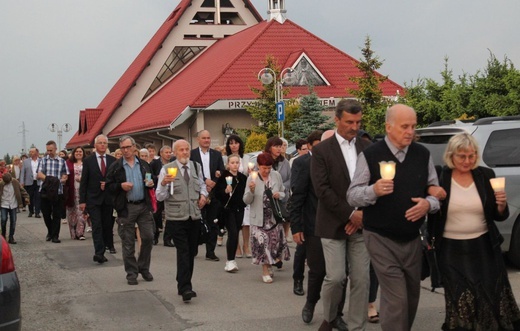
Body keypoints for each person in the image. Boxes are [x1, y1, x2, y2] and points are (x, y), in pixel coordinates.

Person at [347, 104, 441, 331]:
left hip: (412, 237)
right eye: (404, 126)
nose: (410, 131)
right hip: (380, 236)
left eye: (413, 126)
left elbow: (435, 191)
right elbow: (352, 196)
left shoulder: (422, 154)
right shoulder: (371, 155)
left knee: (410, 297)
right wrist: (374, 191)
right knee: (396, 297)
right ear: (389, 127)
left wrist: (428, 204)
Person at [429, 133, 520, 330]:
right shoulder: (440, 177)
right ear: (451, 155)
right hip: (450, 249)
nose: (467, 161)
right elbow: (430, 209)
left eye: (471, 156)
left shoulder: (485, 175)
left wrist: (502, 206)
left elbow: (498, 216)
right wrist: (430, 192)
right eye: (462, 156)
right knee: (460, 300)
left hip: (484, 246)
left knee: (489, 297)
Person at [311, 99, 371, 331]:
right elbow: (322, 189)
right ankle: (330, 316)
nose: (354, 127)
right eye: (349, 122)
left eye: (358, 122)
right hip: (332, 223)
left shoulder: (367, 148)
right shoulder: (321, 151)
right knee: (336, 277)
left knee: (361, 279)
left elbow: (375, 184)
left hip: (362, 224)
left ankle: (357, 326)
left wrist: (361, 214)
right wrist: (350, 215)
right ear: (336, 120)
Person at [290, 130, 345, 324]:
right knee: (318, 270)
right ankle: (311, 303)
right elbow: (297, 197)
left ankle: (336, 314)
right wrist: (296, 227)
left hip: (340, 225)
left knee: (340, 274)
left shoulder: (344, 161)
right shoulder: (304, 164)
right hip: (314, 225)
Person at [156, 139, 208, 302]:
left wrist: (203, 196)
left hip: (193, 215)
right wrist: (164, 183)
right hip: (176, 217)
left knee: (191, 251)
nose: (185, 152)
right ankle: (186, 287)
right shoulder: (167, 169)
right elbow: (159, 196)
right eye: (181, 150)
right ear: (175, 153)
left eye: (187, 149)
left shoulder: (196, 166)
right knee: (183, 250)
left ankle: (183, 282)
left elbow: (202, 185)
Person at [106, 135, 155, 285]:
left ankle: (143, 267)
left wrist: (152, 183)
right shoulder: (116, 166)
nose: (126, 150)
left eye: (128, 147)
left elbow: (151, 180)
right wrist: (120, 186)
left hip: (143, 205)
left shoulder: (144, 164)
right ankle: (131, 272)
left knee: (148, 237)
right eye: (123, 148)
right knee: (128, 242)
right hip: (126, 207)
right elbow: (108, 186)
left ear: (134, 147)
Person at [243, 152, 290, 283]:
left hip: (273, 217)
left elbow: (283, 193)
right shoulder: (251, 178)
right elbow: (246, 200)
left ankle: (269, 265)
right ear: (258, 166)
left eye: (269, 168)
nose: (267, 171)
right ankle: (264, 270)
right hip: (258, 218)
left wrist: (278, 194)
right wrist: (251, 191)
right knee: (262, 243)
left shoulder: (276, 175)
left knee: (273, 244)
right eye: (264, 168)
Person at [80, 135, 117, 263]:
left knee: (107, 225)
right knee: (97, 226)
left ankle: (106, 247)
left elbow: (115, 179)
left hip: (107, 199)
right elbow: (84, 181)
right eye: (100, 143)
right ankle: (99, 253)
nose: (102, 145)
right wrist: (82, 201)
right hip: (93, 199)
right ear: (95, 145)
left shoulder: (112, 160)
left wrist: (107, 184)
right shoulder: (88, 161)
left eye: (104, 143)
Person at [190, 130, 225, 262]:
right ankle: (193, 249)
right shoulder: (192, 154)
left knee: (213, 223)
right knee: (196, 223)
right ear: (198, 139)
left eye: (208, 138)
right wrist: (205, 180)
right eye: (204, 138)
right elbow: (192, 172)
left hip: (214, 193)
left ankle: (211, 251)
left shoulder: (216, 154)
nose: (206, 140)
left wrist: (214, 182)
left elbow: (221, 170)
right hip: (197, 192)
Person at [214, 154, 247, 272]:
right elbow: (216, 193)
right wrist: (225, 191)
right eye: (232, 163)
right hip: (227, 209)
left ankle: (232, 259)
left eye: (237, 162)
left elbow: (246, 194)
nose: (235, 165)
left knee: (236, 232)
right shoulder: (224, 177)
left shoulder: (243, 177)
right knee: (232, 232)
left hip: (239, 208)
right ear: (228, 164)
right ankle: (230, 261)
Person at [224, 134, 252, 258]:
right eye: (231, 143)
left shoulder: (246, 158)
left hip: (243, 190)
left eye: (236, 143)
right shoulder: (225, 158)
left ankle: (246, 245)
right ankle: (236, 246)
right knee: (234, 223)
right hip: (231, 192)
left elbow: (251, 174)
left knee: (246, 222)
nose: (234, 145)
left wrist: (250, 173)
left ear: (240, 144)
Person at [37, 140, 69, 243]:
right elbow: (39, 175)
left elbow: (65, 175)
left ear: (55, 149)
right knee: (46, 213)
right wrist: (52, 180)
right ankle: (50, 231)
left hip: (58, 191)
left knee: (56, 214)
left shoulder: (61, 161)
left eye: (51, 150)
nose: (49, 152)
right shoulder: (43, 160)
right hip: (45, 191)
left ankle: (55, 235)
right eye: (47, 150)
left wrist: (63, 179)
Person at [264, 137, 292, 243]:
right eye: (276, 146)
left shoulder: (285, 162)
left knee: (279, 224)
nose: (279, 149)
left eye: (280, 146)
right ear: (269, 147)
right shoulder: (263, 159)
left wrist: (281, 188)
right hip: (267, 198)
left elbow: (290, 179)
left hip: (281, 198)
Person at [150, 145, 173, 246]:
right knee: (156, 214)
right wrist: (157, 177)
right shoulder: (155, 163)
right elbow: (149, 175)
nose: (168, 154)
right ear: (161, 153)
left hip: (170, 191)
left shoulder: (173, 163)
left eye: (169, 152)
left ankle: (167, 238)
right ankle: (154, 236)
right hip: (158, 191)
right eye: (166, 152)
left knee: (169, 216)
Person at [65, 146, 87, 240]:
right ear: (74, 153)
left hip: (83, 191)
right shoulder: (68, 163)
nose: (78, 153)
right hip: (72, 190)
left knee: (81, 212)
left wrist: (83, 179)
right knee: (72, 213)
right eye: (77, 151)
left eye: (80, 151)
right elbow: (65, 174)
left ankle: (80, 233)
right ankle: (73, 233)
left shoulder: (87, 163)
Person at [1, 173, 29, 244]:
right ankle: (3, 236)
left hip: (13, 204)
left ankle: (11, 237)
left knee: (13, 221)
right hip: (4, 204)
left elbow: (22, 190)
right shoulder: (1, 184)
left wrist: (26, 197)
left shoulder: (15, 182)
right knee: (3, 220)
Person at [20, 147, 42, 218]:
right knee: (29, 197)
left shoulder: (41, 160)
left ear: (36, 152)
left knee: (38, 197)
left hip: (38, 181)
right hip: (29, 182)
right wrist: (22, 182)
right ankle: (31, 211)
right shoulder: (26, 161)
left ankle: (37, 212)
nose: (31, 153)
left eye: (32, 152)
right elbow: (23, 172)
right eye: (30, 152)